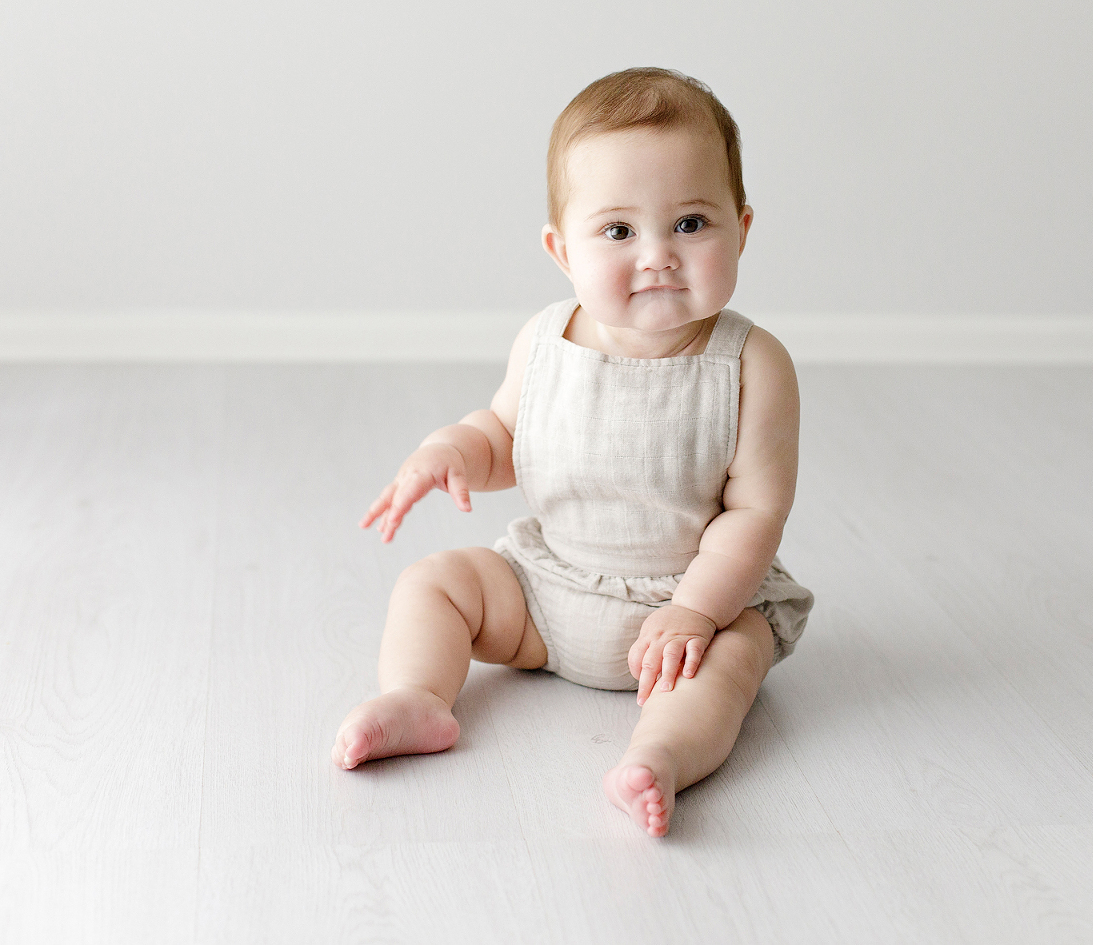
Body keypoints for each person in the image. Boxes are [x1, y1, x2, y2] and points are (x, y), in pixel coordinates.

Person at [331, 67, 814, 838]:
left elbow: (757, 511)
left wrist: (695, 610)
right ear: (562, 250)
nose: (657, 255)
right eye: (619, 231)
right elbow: (505, 439)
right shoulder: (546, 341)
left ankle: (660, 755)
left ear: (743, 228)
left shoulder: (752, 364)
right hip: (547, 592)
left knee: (730, 666)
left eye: (691, 224)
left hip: (691, 608)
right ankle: (419, 697)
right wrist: (450, 450)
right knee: (437, 582)